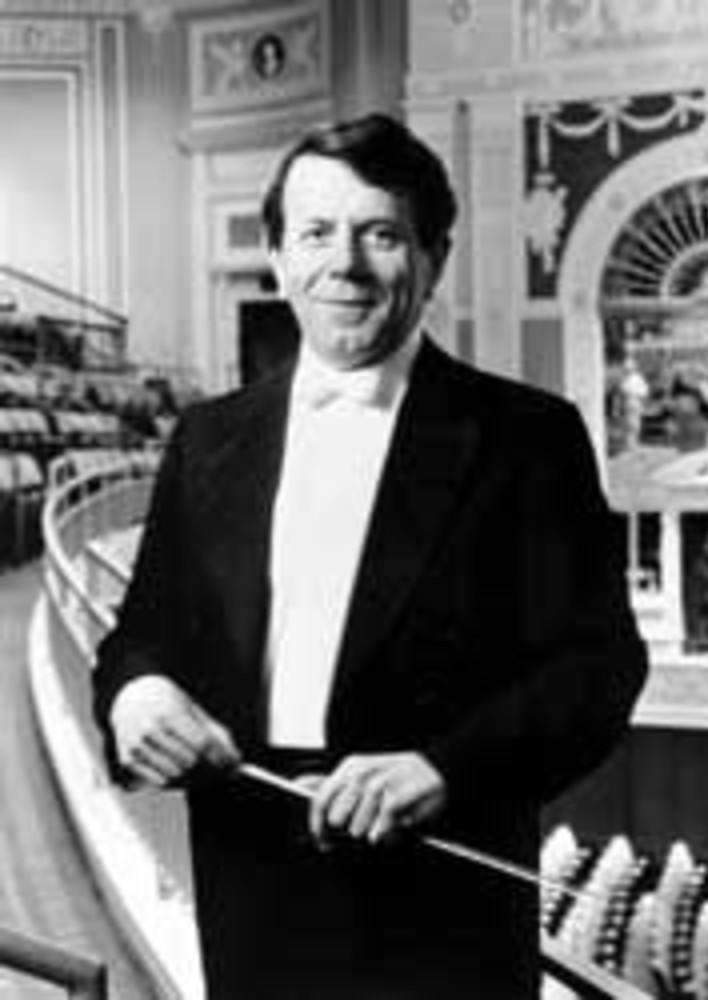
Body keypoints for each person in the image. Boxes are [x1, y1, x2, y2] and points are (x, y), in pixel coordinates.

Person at [92, 113, 647, 1000]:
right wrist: (137, 694)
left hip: (440, 911)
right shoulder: (207, 439)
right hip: (250, 900)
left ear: (434, 258)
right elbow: (141, 635)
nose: (343, 264)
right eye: (315, 233)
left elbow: (598, 665)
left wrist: (446, 769)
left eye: (380, 234)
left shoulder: (527, 437)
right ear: (278, 257)